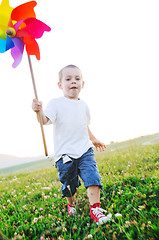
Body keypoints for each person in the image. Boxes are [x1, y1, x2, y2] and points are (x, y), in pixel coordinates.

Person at [32, 64, 112, 225]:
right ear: (60, 85)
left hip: (84, 150)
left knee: (92, 177)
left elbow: (84, 125)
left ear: (83, 83)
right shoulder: (56, 103)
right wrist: (38, 112)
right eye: (68, 79)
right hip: (65, 155)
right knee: (70, 185)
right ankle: (71, 205)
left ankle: (95, 210)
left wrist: (93, 139)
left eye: (77, 78)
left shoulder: (84, 105)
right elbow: (45, 120)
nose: (73, 81)